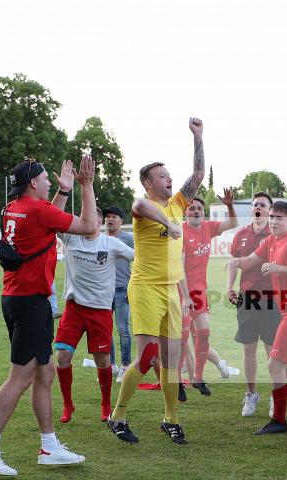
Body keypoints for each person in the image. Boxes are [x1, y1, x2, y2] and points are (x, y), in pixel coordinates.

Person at [0, 156, 98, 476]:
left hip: (16, 297)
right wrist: (86, 186)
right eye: (46, 179)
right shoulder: (39, 211)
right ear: (34, 183)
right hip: (31, 302)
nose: (50, 182)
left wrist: (64, 191)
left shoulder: (13, 208)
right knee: (21, 377)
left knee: (46, 372)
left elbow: (46, 219)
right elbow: (89, 227)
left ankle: (49, 446)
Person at [106, 117, 204, 446]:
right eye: (162, 176)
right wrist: (169, 224)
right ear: (149, 183)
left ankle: (171, 420)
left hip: (171, 291)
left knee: (171, 360)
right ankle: (117, 416)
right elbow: (138, 205)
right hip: (146, 288)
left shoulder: (178, 203)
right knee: (147, 356)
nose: (169, 179)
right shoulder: (144, 206)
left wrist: (198, 137)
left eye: (169, 175)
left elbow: (198, 175)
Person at [232, 201, 287, 434]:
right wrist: (236, 262)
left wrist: (279, 269)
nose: (273, 221)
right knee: (284, 366)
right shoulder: (270, 241)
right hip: (286, 309)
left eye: (279, 217)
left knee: (275, 363)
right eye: (271, 217)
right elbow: (250, 261)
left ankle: (279, 420)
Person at [54, 206, 134, 423]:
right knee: (62, 356)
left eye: (91, 218)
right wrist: (64, 190)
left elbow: (137, 258)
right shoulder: (70, 237)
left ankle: (105, 404)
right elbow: (51, 213)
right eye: (83, 218)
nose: (86, 221)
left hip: (100, 310)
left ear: (98, 222)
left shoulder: (111, 243)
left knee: (103, 360)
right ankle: (68, 404)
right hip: (74, 308)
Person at [179, 189, 239, 395]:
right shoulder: (180, 232)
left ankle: (198, 377)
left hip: (199, 291)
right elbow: (178, 268)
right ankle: (177, 383)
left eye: (199, 208)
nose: (196, 211)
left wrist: (229, 205)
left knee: (203, 333)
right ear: (185, 213)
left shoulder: (208, 227)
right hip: (180, 291)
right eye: (191, 209)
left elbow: (232, 223)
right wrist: (185, 296)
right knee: (182, 339)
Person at [228, 193, 281, 417]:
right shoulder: (241, 233)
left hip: (272, 298)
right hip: (247, 298)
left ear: (270, 210)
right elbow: (233, 262)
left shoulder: (275, 234)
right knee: (248, 348)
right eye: (255, 204)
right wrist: (229, 287)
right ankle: (251, 394)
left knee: (272, 351)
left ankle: (275, 396)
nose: (258, 207)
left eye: (262, 204)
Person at [104, 205, 135, 381]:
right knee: (105, 330)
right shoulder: (100, 238)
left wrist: (132, 286)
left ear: (121, 221)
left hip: (123, 290)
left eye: (114, 216)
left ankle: (125, 366)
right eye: (107, 216)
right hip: (104, 292)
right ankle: (111, 365)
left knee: (123, 329)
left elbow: (139, 261)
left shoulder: (129, 239)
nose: (110, 219)